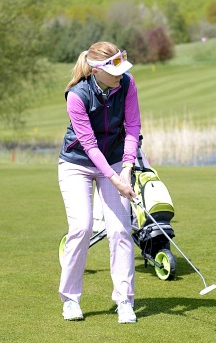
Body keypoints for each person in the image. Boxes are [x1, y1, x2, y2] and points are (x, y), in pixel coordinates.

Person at [58, 41, 141, 323]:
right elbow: (90, 146)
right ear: (96, 69)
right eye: (114, 69)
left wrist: (127, 168)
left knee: (120, 231)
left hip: (117, 159)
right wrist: (114, 179)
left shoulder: (127, 85)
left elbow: (133, 128)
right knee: (81, 227)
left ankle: (125, 301)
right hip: (76, 164)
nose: (120, 73)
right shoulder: (77, 95)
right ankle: (70, 300)